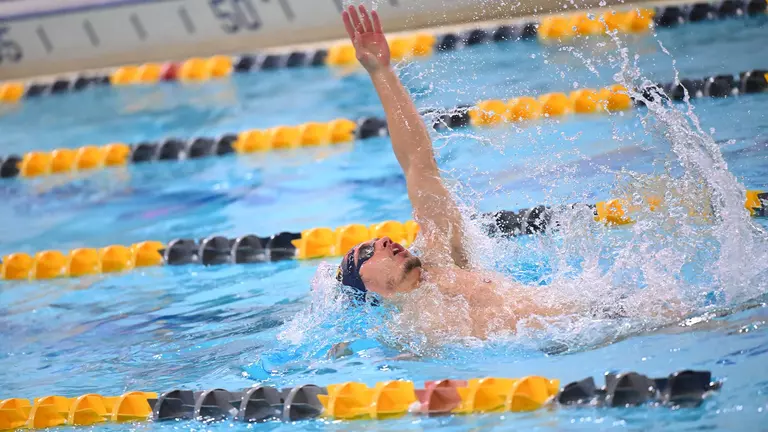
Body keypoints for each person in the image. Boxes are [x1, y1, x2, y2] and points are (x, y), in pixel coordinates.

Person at [335, 5, 567, 339]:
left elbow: (418, 161)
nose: (384, 240)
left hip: (600, 315)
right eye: (367, 253)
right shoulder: (414, 335)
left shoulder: (443, 256)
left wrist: (381, 72)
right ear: (368, 290)